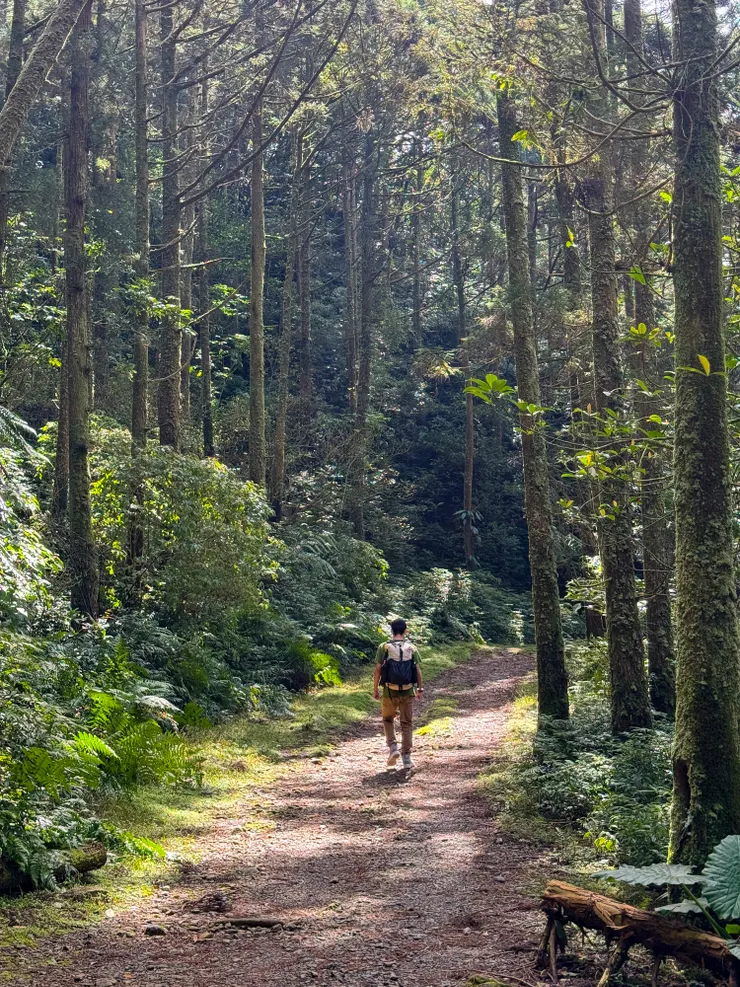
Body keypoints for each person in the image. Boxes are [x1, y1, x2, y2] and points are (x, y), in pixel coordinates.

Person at [373, 618, 423, 769]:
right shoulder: (411, 647)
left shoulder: (384, 647)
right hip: (407, 691)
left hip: (389, 691)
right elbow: (417, 670)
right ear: (405, 631)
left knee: (388, 719)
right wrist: (419, 688)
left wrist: (375, 689)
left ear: (392, 631)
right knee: (406, 723)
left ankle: (393, 747)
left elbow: (378, 670)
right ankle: (406, 757)